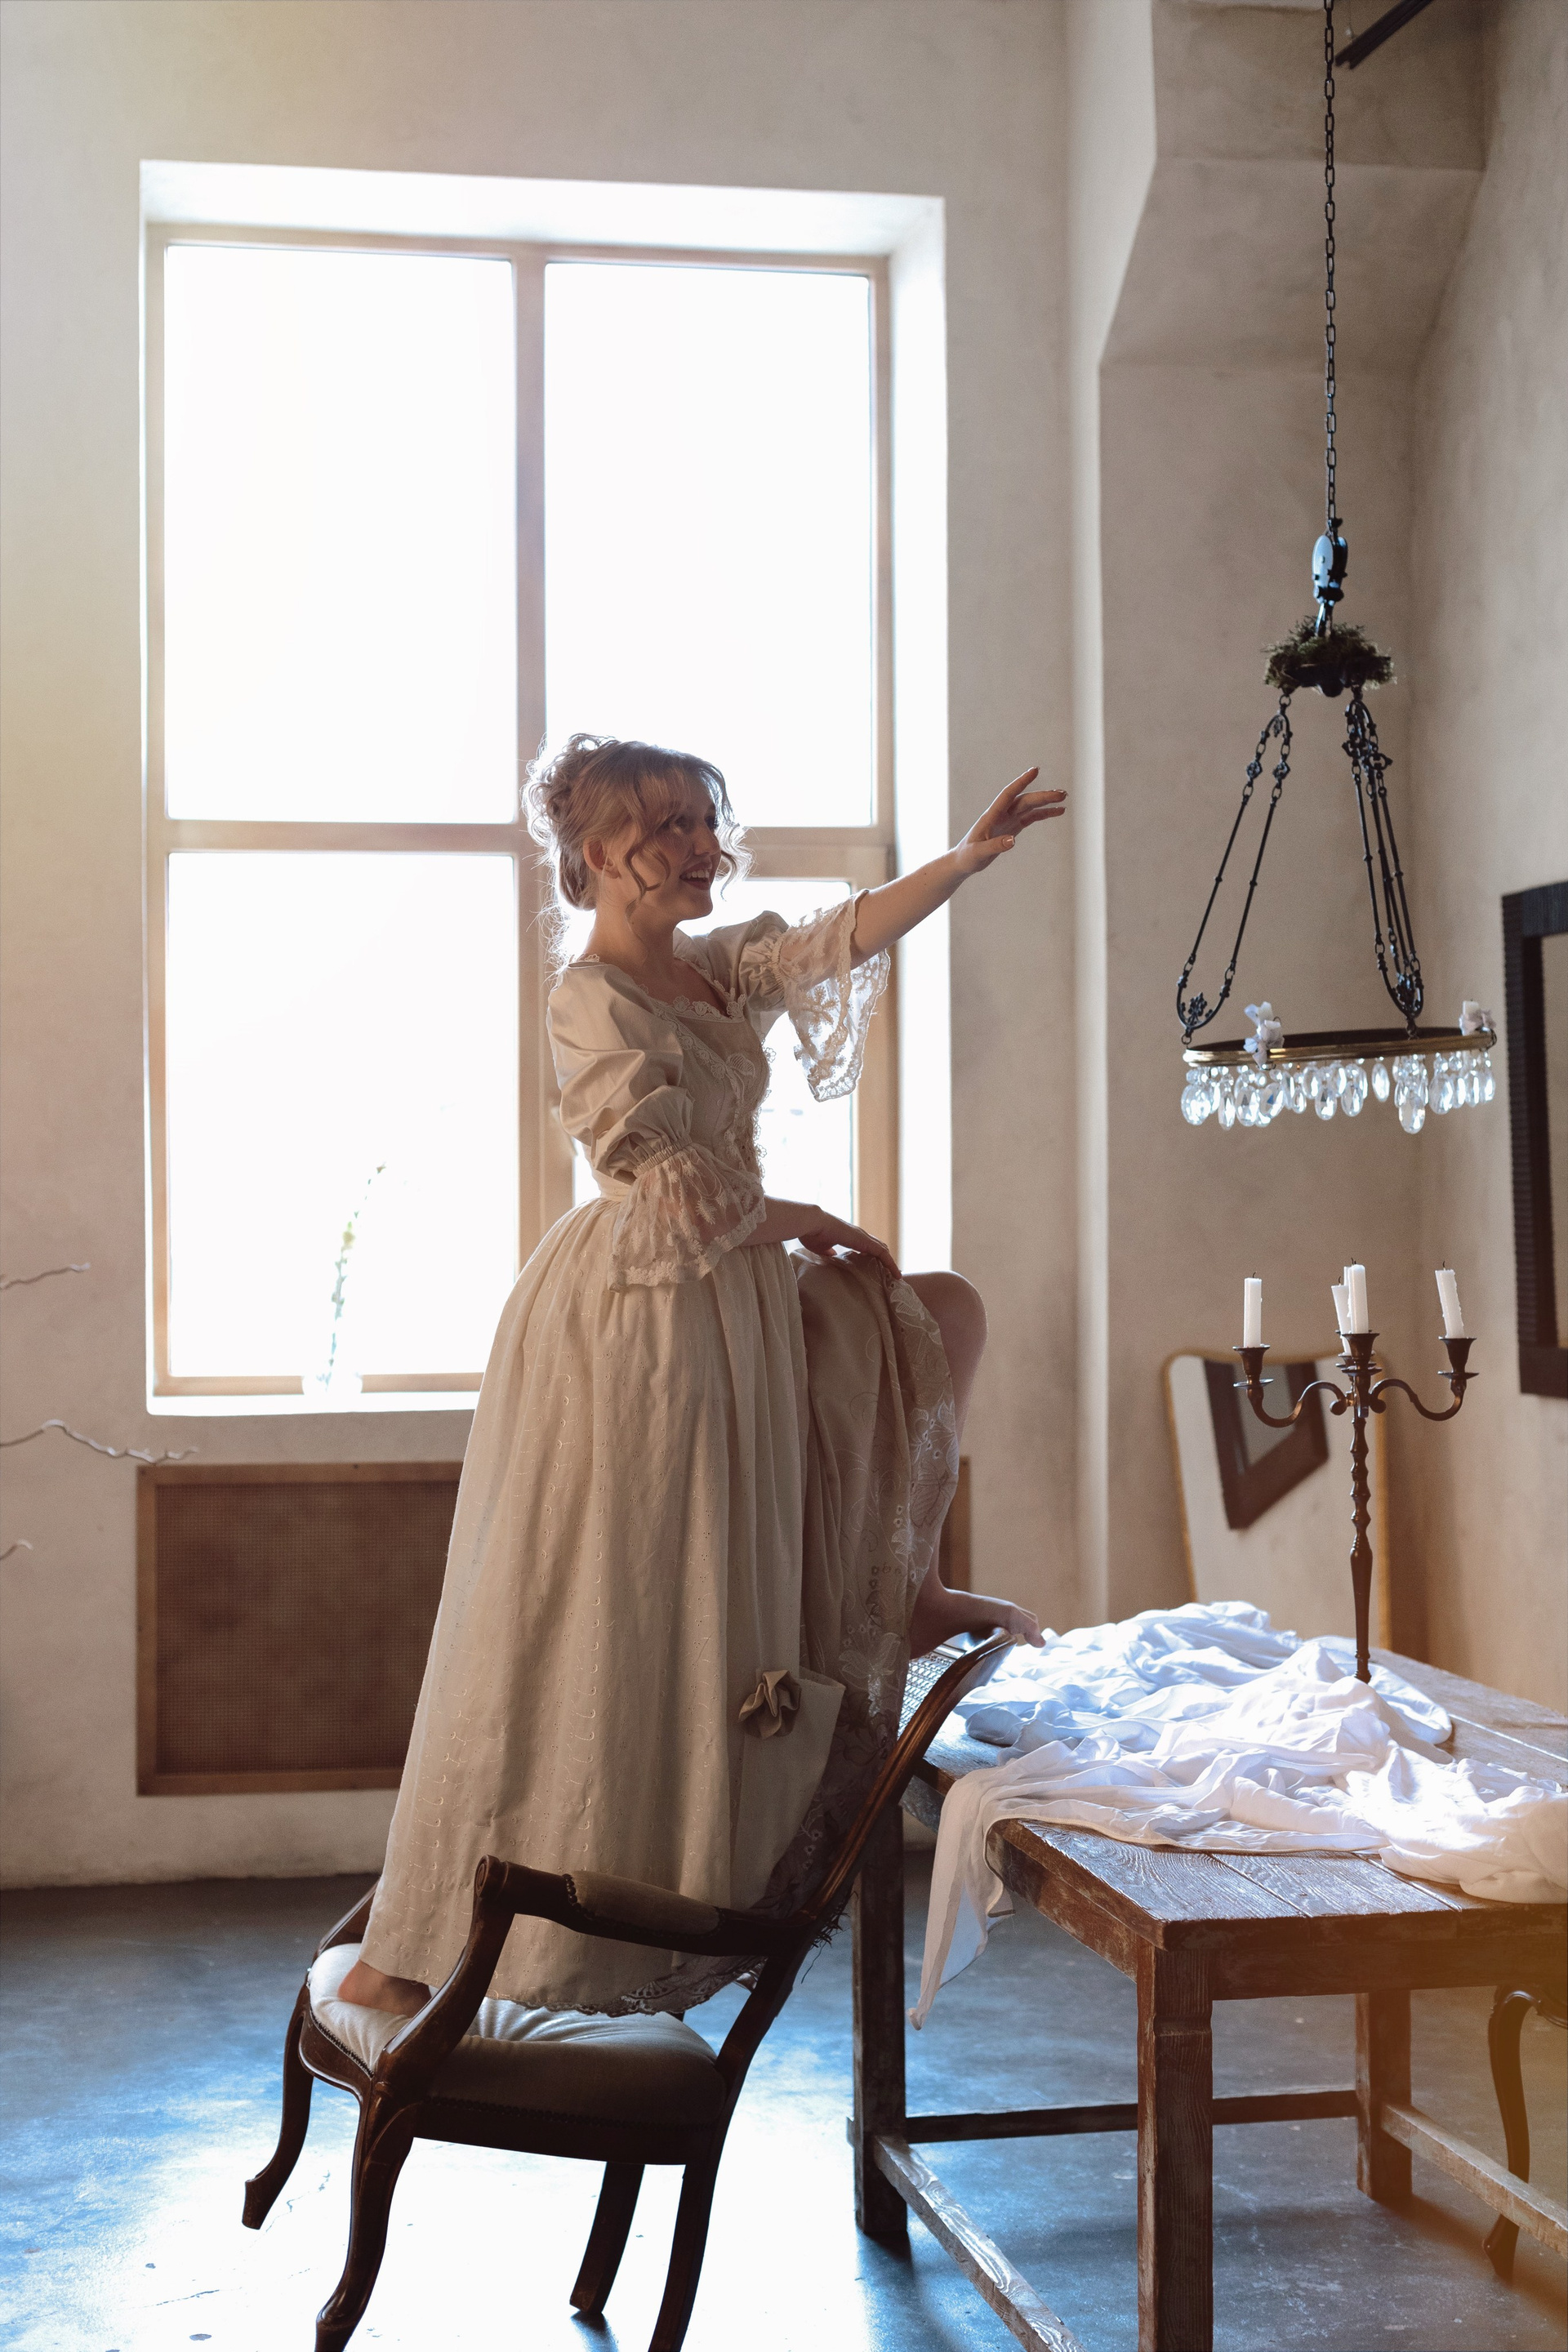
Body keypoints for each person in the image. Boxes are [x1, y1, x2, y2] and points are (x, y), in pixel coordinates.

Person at [341, 734, 1065, 2020]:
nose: (699, 847)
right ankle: (440, 1942)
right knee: (607, 1603)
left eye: (703, 823)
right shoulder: (591, 999)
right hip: (641, 1310)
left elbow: (837, 938)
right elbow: (675, 1188)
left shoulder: (716, 972)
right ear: (596, 852)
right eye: (667, 826)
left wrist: (961, 861)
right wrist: (814, 1221)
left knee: (934, 1313)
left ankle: (909, 1588)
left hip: (731, 1294)